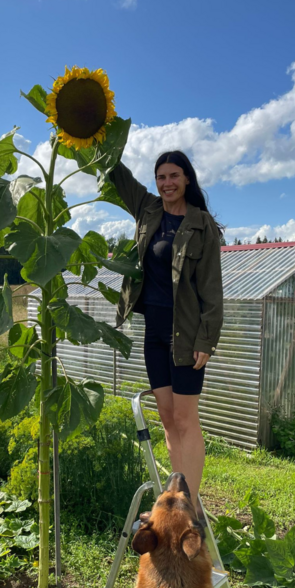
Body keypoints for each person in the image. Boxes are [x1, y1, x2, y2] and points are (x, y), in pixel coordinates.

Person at [107, 150, 224, 524]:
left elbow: (211, 288)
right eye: (161, 177)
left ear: (187, 178)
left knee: (187, 420)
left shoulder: (202, 225)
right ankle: (175, 498)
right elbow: (117, 174)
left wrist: (206, 340)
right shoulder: (148, 209)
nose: (167, 183)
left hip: (187, 334)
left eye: (174, 175)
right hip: (154, 331)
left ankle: (190, 506)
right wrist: (96, 133)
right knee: (168, 418)